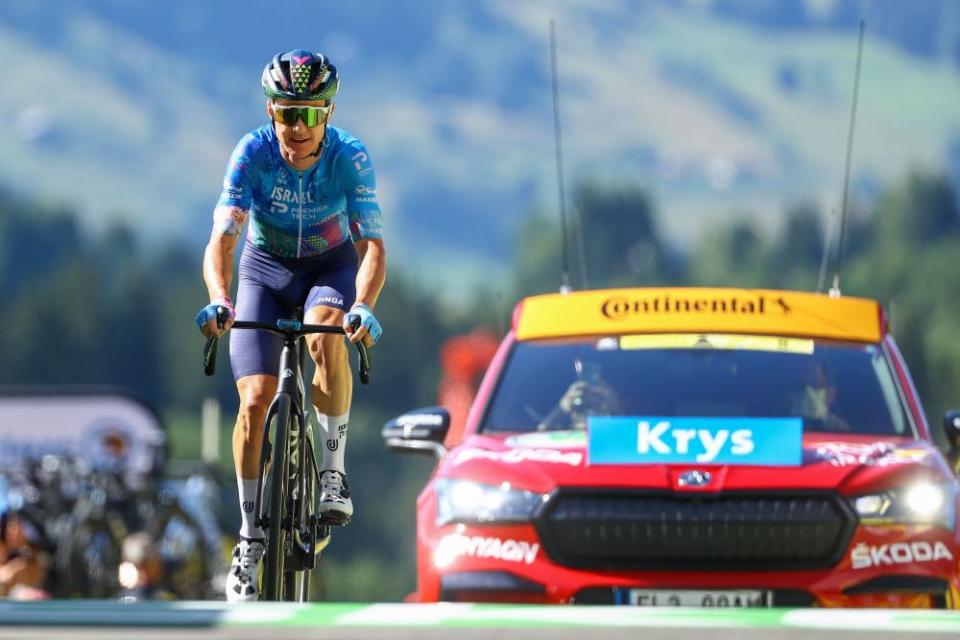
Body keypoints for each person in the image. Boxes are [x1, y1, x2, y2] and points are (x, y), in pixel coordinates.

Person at [195, 50, 386, 602]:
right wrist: (219, 298)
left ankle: (332, 472)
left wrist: (366, 304)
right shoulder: (251, 153)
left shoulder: (349, 156)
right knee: (254, 401)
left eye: (307, 114)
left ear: (327, 113)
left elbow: (372, 245)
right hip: (264, 270)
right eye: (284, 113)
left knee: (328, 327)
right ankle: (251, 535)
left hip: (330, 268)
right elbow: (223, 240)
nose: (295, 128)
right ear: (270, 110)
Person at [794, 359, 851, 432]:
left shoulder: (842, 432)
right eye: (799, 385)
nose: (806, 390)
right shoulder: (777, 427)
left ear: (831, 393)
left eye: (814, 382)